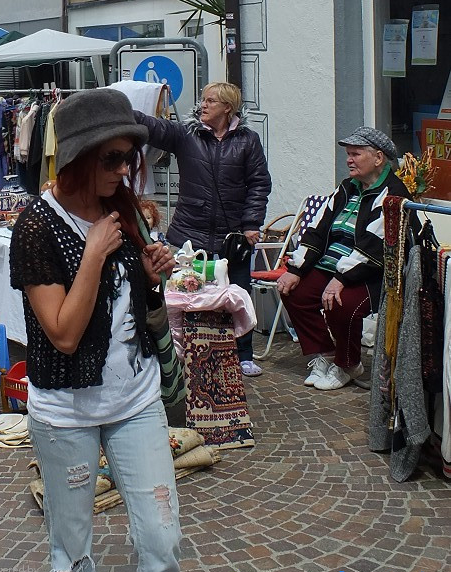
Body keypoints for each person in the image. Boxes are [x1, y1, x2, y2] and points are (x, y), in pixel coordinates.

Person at [9, 88, 181, 572]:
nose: (126, 169)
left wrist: (149, 277)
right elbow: (62, 333)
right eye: (113, 157)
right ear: (79, 156)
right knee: (73, 552)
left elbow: (131, 307)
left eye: (131, 157)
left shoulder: (121, 206)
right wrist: (92, 257)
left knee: (162, 541)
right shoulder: (36, 226)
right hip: (66, 414)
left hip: (136, 402)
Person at [132, 82, 271, 378]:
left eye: (211, 101)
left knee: (238, 294)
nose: (203, 105)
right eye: (202, 99)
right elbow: (155, 128)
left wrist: (251, 224)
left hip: (233, 236)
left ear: (227, 108)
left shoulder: (248, 141)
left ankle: (243, 354)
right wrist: (123, 111)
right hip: (188, 232)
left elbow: (259, 183)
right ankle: (184, 351)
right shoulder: (187, 134)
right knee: (184, 293)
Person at [277, 127, 412, 391]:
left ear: (378, 158)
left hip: (371, 272)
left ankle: (348, 364)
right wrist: (296, 268)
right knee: (293, 292)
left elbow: (375, 244)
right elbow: (317, 228)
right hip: (333, 265)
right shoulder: (346, 187)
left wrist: (340, 278)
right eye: (348, 154)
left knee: (340, 303)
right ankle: (326, 354)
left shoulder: (394, 193)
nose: (349, 160)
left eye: (355, 154)